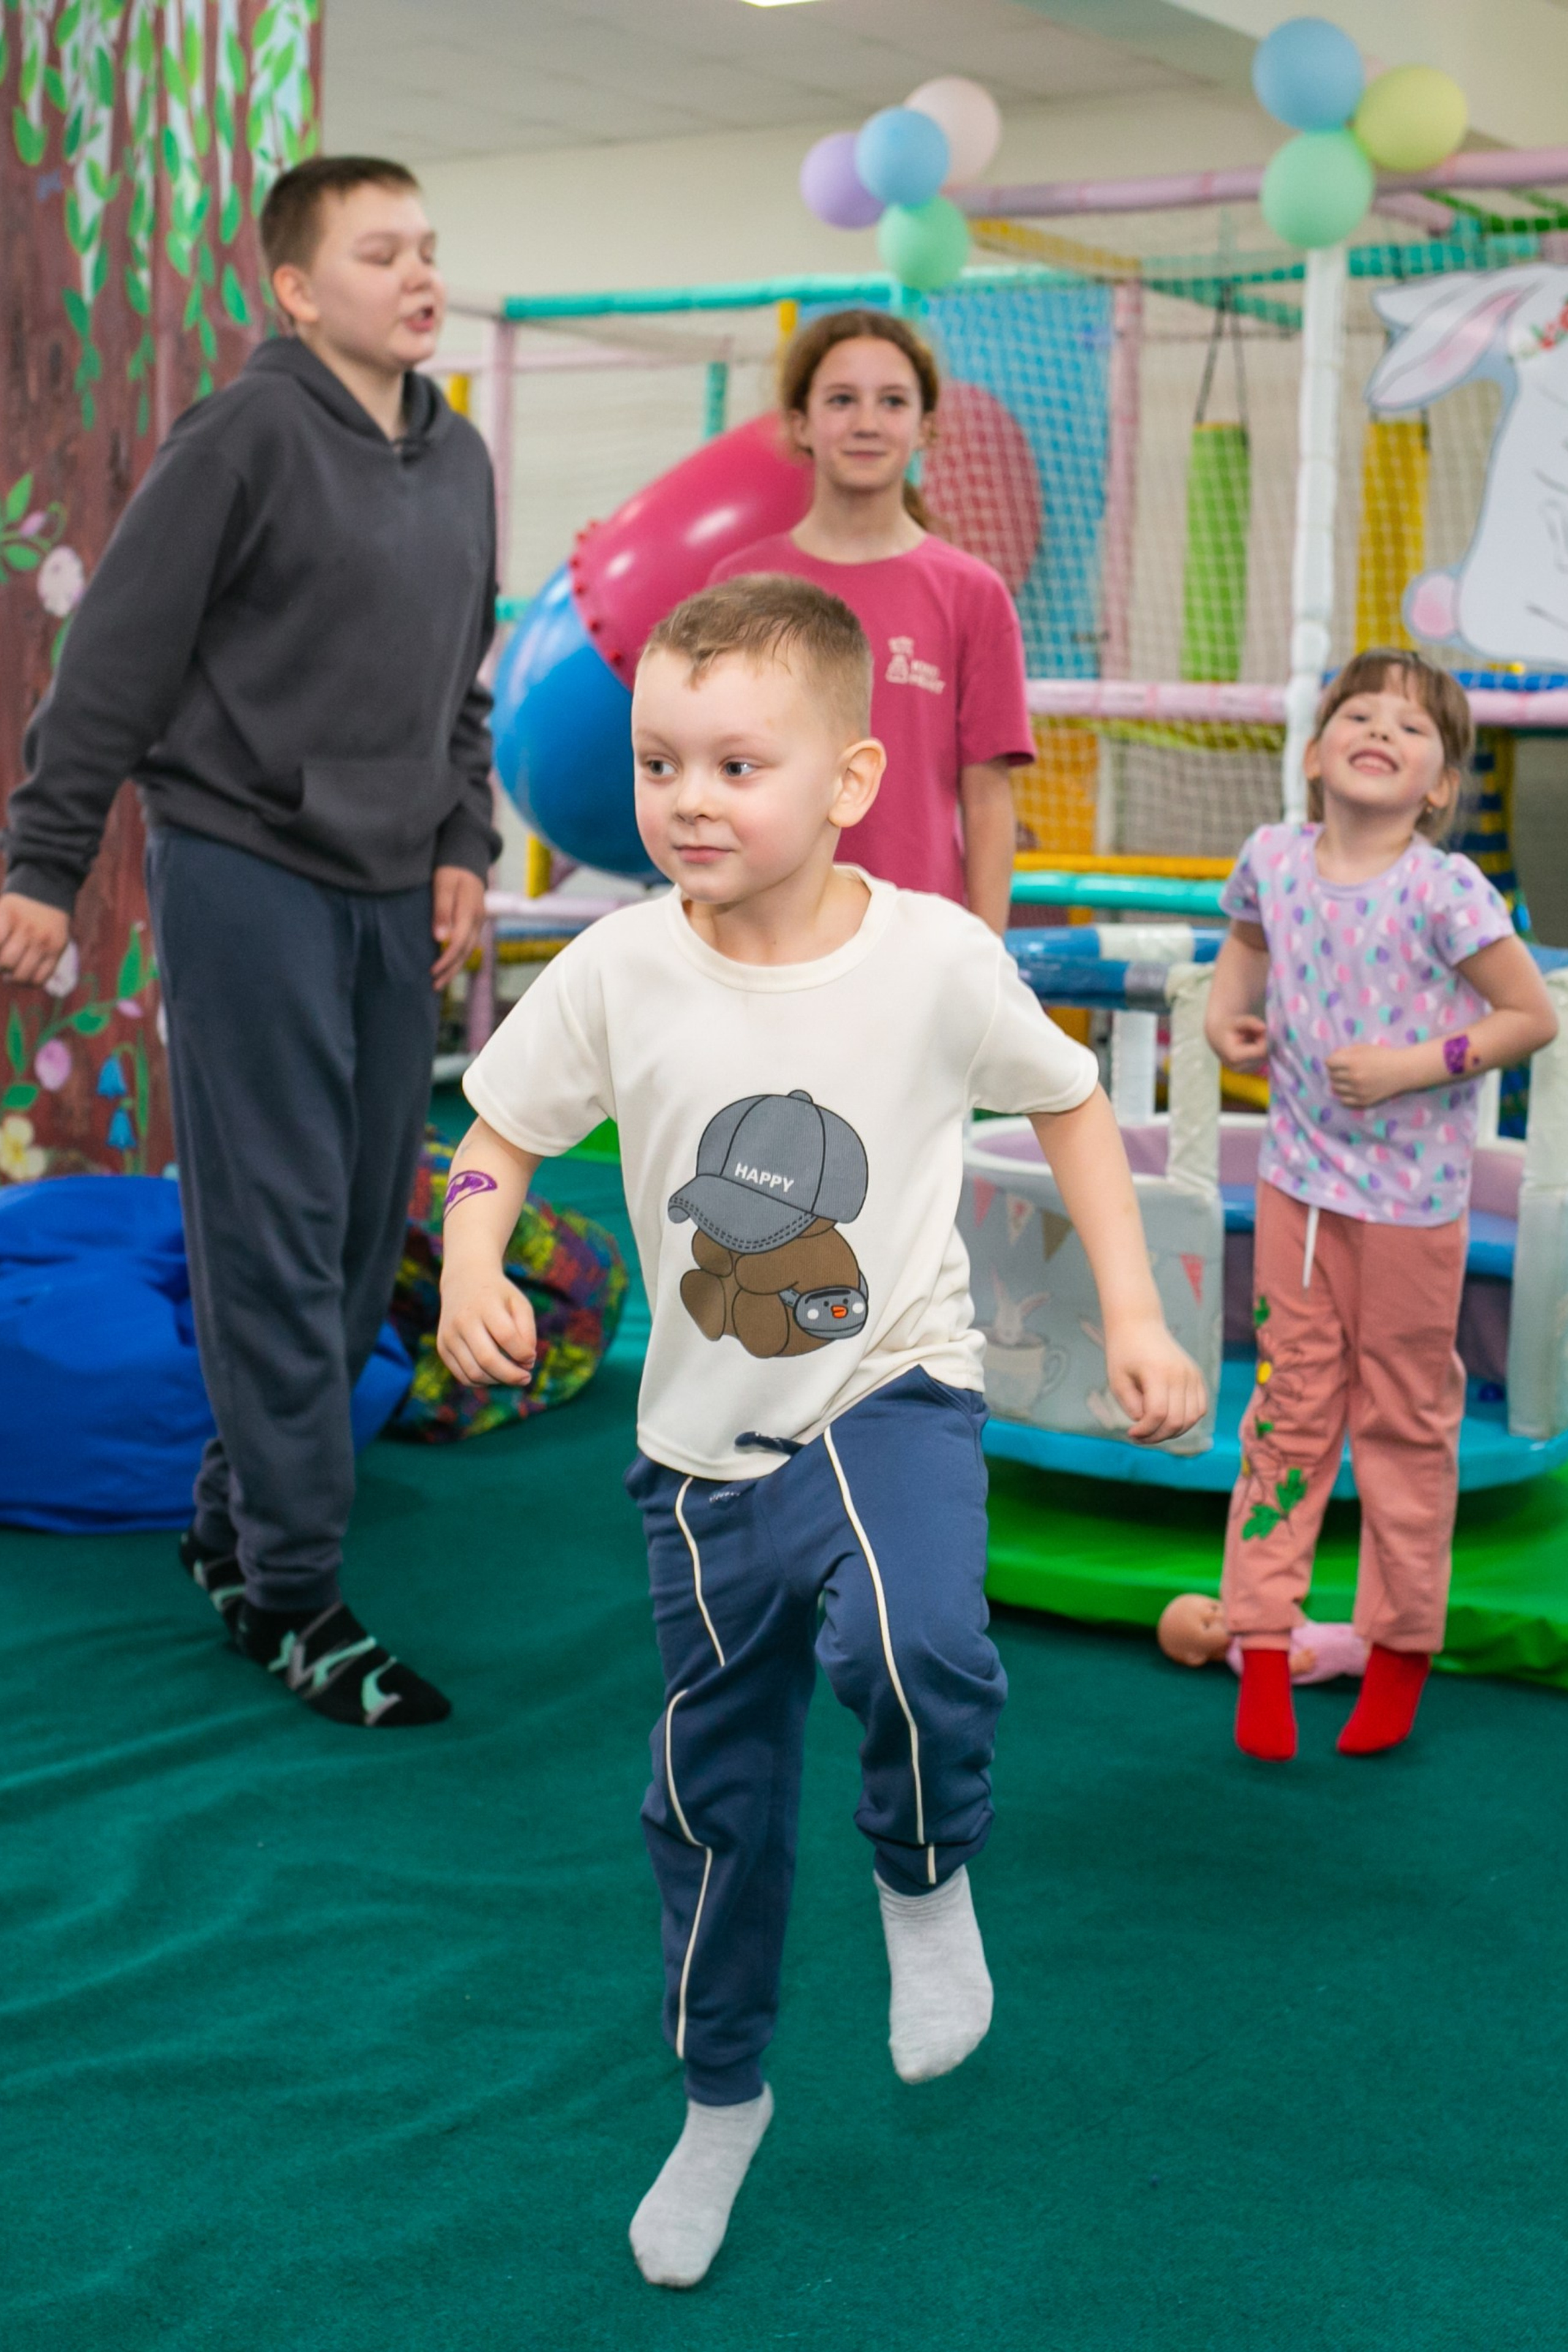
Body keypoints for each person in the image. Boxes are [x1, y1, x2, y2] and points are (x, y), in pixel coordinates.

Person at [437, 574, 1206, 2287]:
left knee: (918, 1642)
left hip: (893, 1391)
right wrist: (468, 1254)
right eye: (659, 765)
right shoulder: (620, 966)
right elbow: (492, 1130)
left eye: (735, 766)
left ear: (851, 780)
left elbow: (1074, 1101)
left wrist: (1137, 1310)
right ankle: (722, 2102)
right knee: (712, 1805)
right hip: (700, 1464)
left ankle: (925, 1876)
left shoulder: (933, 953)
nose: (688, 803)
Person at [0, 155, 500, 1728]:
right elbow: (115, 668)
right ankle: (296, 1592)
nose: (417, 274)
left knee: (360, 1230)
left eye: (426, 248)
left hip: (384, 885)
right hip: (244, 870)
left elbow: (457, 688)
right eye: (379, 252)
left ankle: (230, 1525)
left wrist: (462, 843)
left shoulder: (462, 454)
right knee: (274, 1229)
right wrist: (43, 864)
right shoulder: (243, 439)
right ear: (297, 289)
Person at [1205, 650, 1558, 1763]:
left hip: (1410, 1207)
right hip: (1299, 1191)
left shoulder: (1441, 889)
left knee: (1405, 1423)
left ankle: (1400, 1646)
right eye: (1359, 715)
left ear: (1440, 785)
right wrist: (1226, 1018)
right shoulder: (1272, 858)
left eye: (1412, 731)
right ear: (1315, 755)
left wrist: (1416, 1064)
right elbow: (1247, 941)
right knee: (1287, 1414)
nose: (1381, 733)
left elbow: (1529, 1014)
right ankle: (1262, 1642)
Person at [707, 309, 1031, 933]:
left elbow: (988, 799)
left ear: (925, 426)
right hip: (764, 936)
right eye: (840, 400)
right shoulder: (739, 589)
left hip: (915, 943)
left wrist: (984, 961)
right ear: (800, 423)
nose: (865, 423)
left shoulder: (973, 594)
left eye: (891, 401)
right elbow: (710, 777)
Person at [1157, 1593, 1366, 1683]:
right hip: (1307, 1655)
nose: (1219, 1616)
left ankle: (1374, 1644)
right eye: (1207, 1624)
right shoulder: (1239, 1657)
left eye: (1214, 1607)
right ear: (1196, 1656)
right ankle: (1374, 1661)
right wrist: (1293, 1666)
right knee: (1341, 1650)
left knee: (1347, 1632)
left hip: (1307, 1633)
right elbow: (1267, 1673)